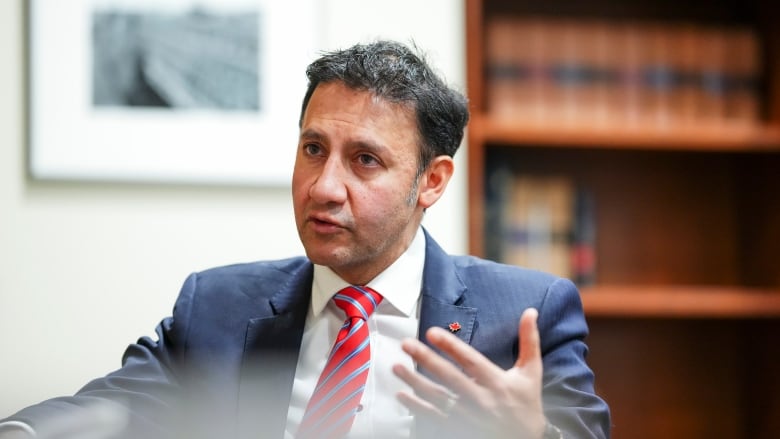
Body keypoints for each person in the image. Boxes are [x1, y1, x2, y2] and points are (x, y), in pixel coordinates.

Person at [0, 40, 610, 439]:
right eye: (313, 149)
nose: (323, 187)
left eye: (365, 161)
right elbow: (115, 408)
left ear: (432, 180)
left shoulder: (527, 314)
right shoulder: (216, 305)